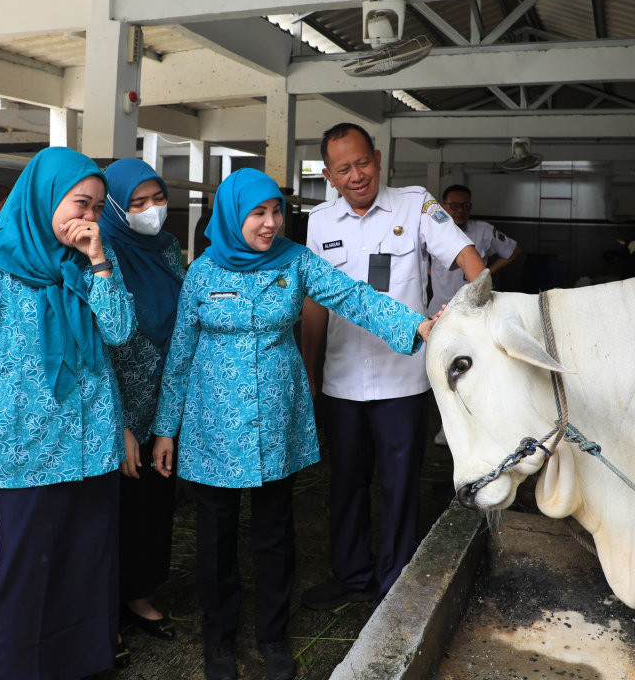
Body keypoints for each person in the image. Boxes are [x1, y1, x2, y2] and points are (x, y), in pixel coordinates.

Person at [151, 168, 435, 680]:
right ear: (232, 215)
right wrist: (166, 429)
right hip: (213, 424)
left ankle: (272, 635)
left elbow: (352, 296)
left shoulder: (296, 261)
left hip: (276, 418)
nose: (271, 223)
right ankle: (219, 641)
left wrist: (414, 323)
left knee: (274, 532)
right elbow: (181, 355)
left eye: (276, 212)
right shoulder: (203, 272)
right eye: (258, 213)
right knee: (215, 538)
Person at [0, 147, 137, 680]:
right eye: (81, 203)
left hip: (93, 448)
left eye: (98, 207)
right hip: (26, 454)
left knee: (89, 571)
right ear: (45, 196)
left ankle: (88, 667)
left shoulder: (92, 259)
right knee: (30, 578)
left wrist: (99, 262)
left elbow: (121, 332)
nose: (89, 217)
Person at [299, 123, 485, 611]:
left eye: (363, 163)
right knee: (347, 481)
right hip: (342, 377)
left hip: (402, 379)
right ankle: (352, 575)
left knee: (399, 485)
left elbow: (467, 257)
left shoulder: (414, 204)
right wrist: (310, 369)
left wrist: (477, 311)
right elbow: (315, 302)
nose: (356, 175)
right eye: (344, 169)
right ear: (329, 176)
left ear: (378, 159)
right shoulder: (320, 222)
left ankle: (394, 582)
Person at [100, 158, 183, 643]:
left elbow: (182, 321)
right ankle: (102, 607)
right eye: (138, 202)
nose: (152, 209)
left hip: (161, 398)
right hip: (111, 403)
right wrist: (120, 424)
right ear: (115, 206)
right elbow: (95, 341)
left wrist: (167, 418)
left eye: (158, 198)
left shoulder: (168, 247)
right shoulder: (98, 252)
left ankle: (139, 593)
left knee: (152, 502)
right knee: (108, 508)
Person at [427, 183, 521, 316]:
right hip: (438, 310)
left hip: (472, 312)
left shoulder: (484, 231)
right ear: (443, 207)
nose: (461, 210)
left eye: (466, 206)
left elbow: (513, 251)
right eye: (455, 206)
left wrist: (485, 274)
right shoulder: (433, 231)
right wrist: (432, 272)